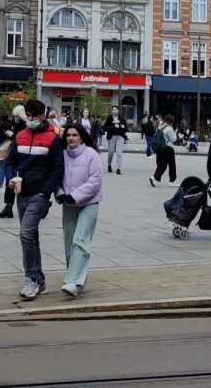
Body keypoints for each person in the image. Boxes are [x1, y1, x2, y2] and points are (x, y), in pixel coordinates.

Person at [10, 98, 65, 300]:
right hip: (21, 191)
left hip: (39, 193)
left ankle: (30, 279)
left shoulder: (53, 139)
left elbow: (58, 168)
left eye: (34, 116)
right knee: (31, 236)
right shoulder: (20, 135)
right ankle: (39, 280)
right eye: (28, 115)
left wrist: (46, 191)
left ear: (42, 115)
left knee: (25, 233)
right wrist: (9, 178)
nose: (30, 119)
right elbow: (10, 161)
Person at [56, 123, 103, 298]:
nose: (71, 138)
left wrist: (74, 196)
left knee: (80, 241)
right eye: (68, 135)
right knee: (69, 244)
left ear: (81, 136)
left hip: (89, 204)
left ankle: (72, 281)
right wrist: (60, 194)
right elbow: (56, 177)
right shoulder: (62, 155)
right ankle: (77, 281)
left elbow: (95, 181)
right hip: (68, 205)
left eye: (74, 135)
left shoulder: (91, 155)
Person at [148, 114, 178, 187]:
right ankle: (172, 181)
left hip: (161, 148)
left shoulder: (160, 127)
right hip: (168, 148)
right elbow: (173, 139)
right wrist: (175, 132)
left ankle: (154, 177)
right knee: (172, 165)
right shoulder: (169, 128)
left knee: (162, 165)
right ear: (171, 121)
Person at [102, 106, 129, 175]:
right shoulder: (109, 119)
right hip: (111, 137)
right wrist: (113, 126)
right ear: (112, 111)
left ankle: (118, 168)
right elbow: (104, 128)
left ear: (118, 111)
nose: (114, 111)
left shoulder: (122, 119)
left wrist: (123, 127)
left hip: (120, 137)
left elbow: (126, 129)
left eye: (116, 109)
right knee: (110, 153)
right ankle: (109, 164)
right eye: (113, 110)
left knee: (119, 153)